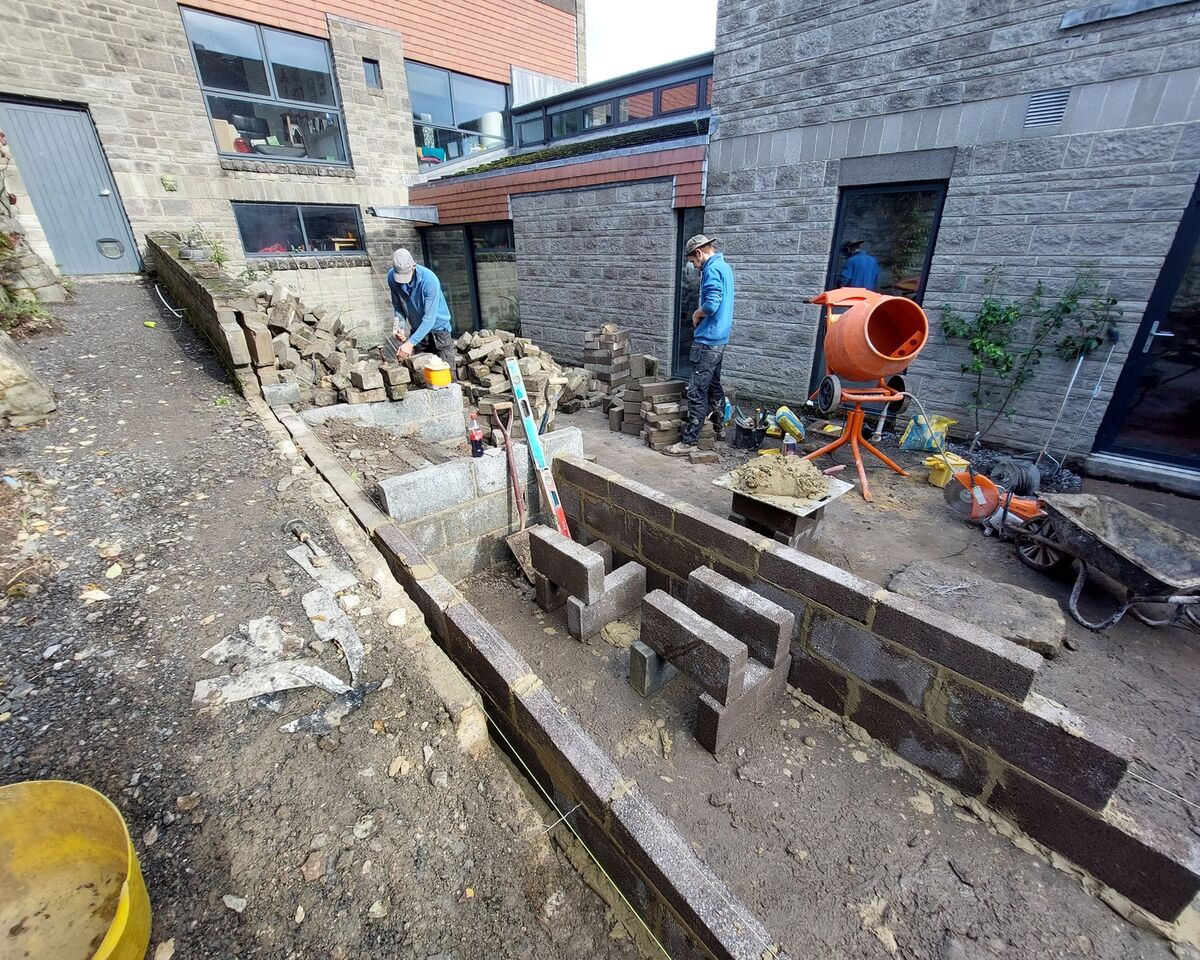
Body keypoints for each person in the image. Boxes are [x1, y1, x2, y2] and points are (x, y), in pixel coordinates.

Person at [664, 234, 733, 458]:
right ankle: (719, 429)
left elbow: (712, 304)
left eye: (693, 261)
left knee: (696, 390)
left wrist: (697, 313)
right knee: (714, 386)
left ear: (700, 253)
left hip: (708, 340)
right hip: (720, 339)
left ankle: (689, 441)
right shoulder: (724, 266)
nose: (693, 265)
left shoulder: (711, 269)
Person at [387, 248, 456, 378]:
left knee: (446, 378)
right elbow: (398, 306)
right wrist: (400, 327)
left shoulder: (429, 280)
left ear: (413, 266)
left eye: (406, 275)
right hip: (418, 331)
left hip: (440, 332)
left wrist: (409, 343)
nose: (403, 281)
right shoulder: (392, 278)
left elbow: (429, 318)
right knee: (423, 377)